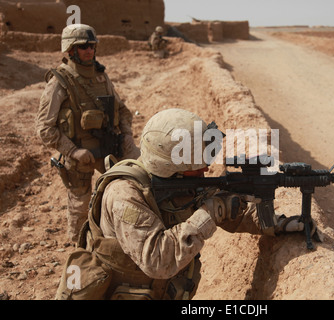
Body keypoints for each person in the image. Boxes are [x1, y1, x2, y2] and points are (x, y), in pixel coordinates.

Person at [55, 108, 319, 300]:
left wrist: (281, 224)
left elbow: (233, 212)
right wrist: (209, 213)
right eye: (197, 161)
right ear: (171, 166)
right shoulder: (124, 194)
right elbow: (158, 260)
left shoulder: (183, 181)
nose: (206, 167)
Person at [36, 24, 140, 242]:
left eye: (92, 45)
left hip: (109, 149)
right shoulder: (59, 82)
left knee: (132, 186)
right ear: (71, 50)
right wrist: (73, 151)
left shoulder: (101, 76)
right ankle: (79, 249)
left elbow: (122, 110)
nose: (89, 50)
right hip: (79, 155)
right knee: (80, 206)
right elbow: (45, 129)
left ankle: (122, 240)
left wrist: (128, 135)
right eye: (83, 46)